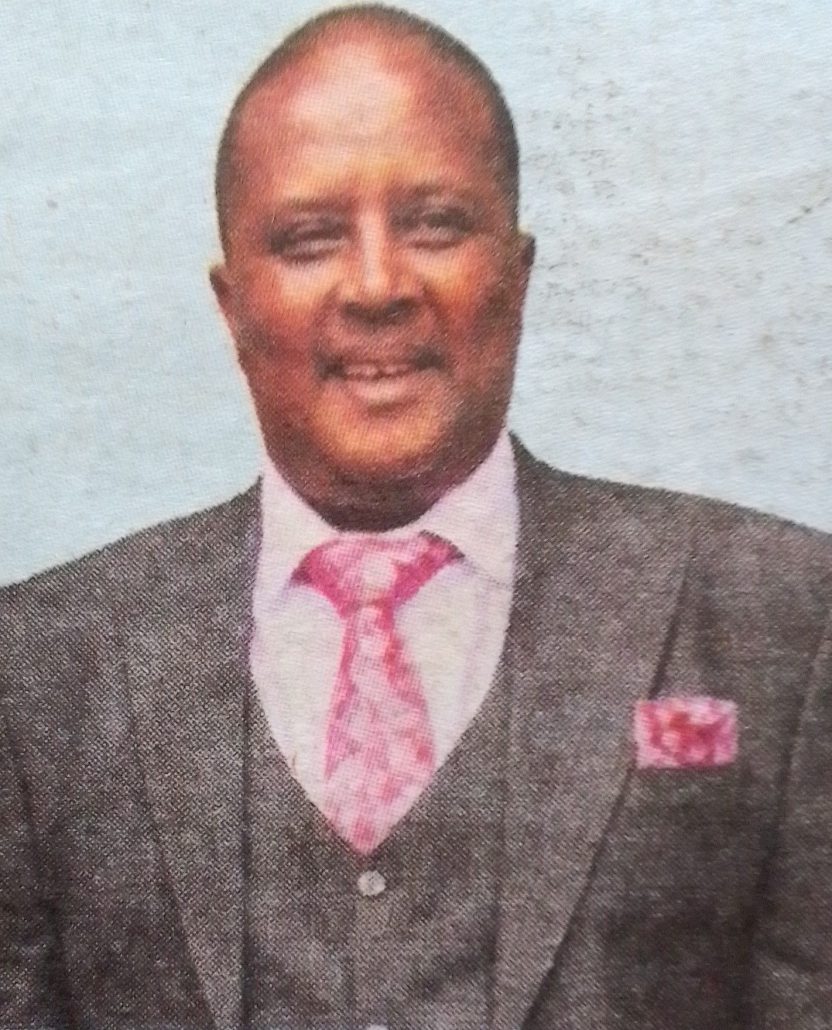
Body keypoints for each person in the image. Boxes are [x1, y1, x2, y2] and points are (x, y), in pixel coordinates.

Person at [1, 5, 831, 1029]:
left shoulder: (785, 621)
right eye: (309, 239)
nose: (377, 286)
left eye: (435, 224)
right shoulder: (37, 668)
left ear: (517, 275)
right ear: (232, 305)